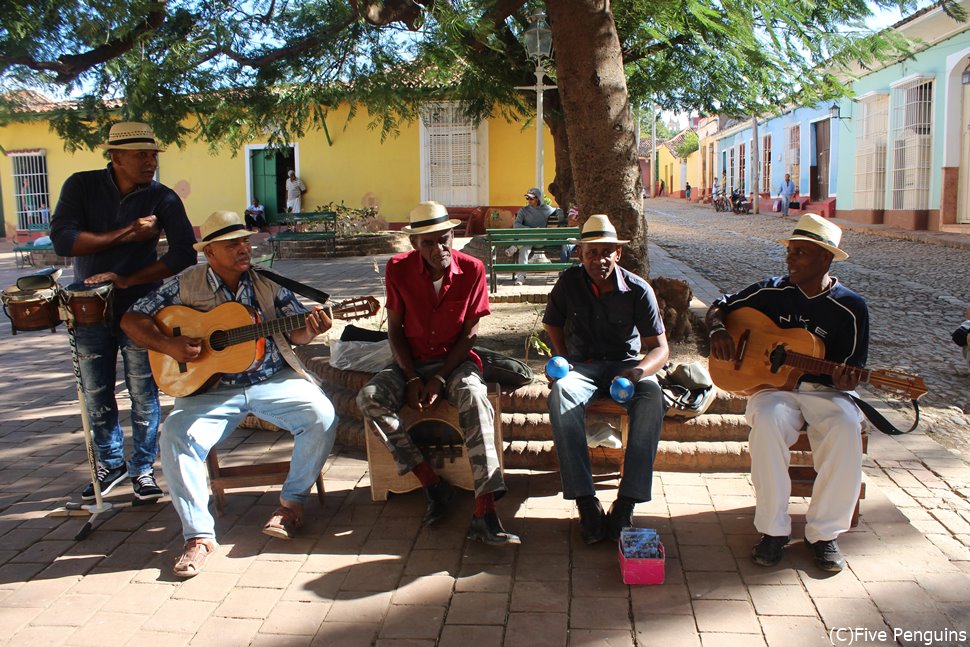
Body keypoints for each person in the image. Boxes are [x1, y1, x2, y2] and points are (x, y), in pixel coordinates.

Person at [121, 210, 338, 577]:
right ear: (210, 253)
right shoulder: (184, 284)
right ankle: (199, 536)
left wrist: (313, 328)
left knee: (322, 415)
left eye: (245, 241)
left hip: (271, 380)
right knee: (175, 436)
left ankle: (290, 505)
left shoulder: (267, 283)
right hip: (209, 389)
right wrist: (167, 346)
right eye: (232, 243)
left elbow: (296, 332)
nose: (244, 248)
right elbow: (132, 319)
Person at [706, 214, 868, 573]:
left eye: (800, 253)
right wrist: (718, 328)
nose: (790, 260)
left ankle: (824, 534)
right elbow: (721, 305)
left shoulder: (851, 308)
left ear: (825, 259)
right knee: (766, 420)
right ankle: (773, 531)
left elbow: (851, 371)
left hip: (824, 391)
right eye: (791, 251)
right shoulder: (772, 291)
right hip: (772, 389)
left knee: (844, 426)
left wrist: (845, 380)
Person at [356, 201, 520, 546]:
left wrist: (440, 379)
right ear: (414, 244)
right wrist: (413, 377)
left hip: (455, 363)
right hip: (410, 363)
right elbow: (396, 331)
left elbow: (470, 335)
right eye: (428, 243)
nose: (439, 249)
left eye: (444, 239)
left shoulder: (473, 269)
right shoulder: (397, 269)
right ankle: (431, 483)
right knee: (369, 399)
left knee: (476, 398)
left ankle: (485, 510)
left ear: (453, 235)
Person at [50, 121, 197, 502]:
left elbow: (184, 251)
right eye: (140, 155)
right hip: (87, 307)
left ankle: (143, 470)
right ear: (116, 157)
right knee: (95, 391)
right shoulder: (80, 186)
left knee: (143, 391)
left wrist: (129, 280)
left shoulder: (162, 198)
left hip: (142, 307)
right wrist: (127, 234)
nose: (150, 162)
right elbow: (64, 240)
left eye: (152, 155)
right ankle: (110, 463)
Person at [543, 214, 669, 544]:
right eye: (590, 253)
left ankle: (627, 503)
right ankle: (586, 501)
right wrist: (564, 357)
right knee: (561, 394)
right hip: (582, 368)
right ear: (581, 254)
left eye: (605, 252)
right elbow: (551, 322)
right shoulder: (569, 283)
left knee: (652, 397)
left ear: (618, 253)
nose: (598, 260)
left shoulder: (639, 290)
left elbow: (660, 349)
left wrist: (639, 372)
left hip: (626, 367)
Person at [509, 187, 556, 285]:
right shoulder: (523, 210)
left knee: (536, 235)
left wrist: (560, 213)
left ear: (537, 198)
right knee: (523, 250)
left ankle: (515, 246)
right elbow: (516, 225)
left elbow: (558, 211)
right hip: (527, 241)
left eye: (531, 198)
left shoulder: (546, 209)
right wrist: (530, 229)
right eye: (527, 198)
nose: (529, 200)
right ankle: (521, 277)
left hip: (541, 241)